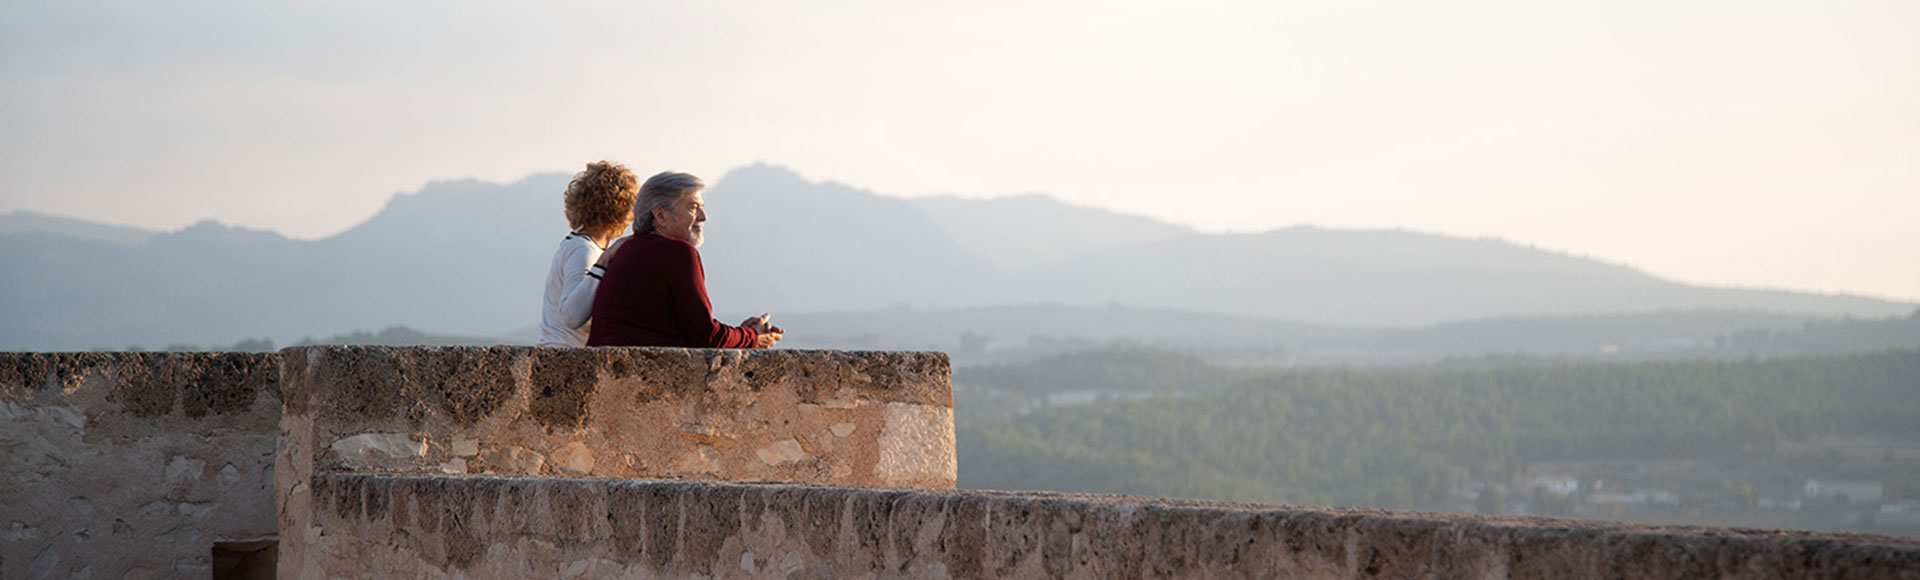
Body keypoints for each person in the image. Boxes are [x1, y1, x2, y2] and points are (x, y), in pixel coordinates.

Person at [587, 171, 783, 348]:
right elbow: (707, 337)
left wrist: (741, 333)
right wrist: (752, 336)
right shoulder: (678, 252)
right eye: (693, 207)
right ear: (661, 215)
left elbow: (689, 331)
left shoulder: (627, 250)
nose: (703, 217)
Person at [538, 161, 639, 347]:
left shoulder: (577, 244)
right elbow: (572, 315)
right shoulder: (582, 250)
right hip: (566, 356)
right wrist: (604, 262)